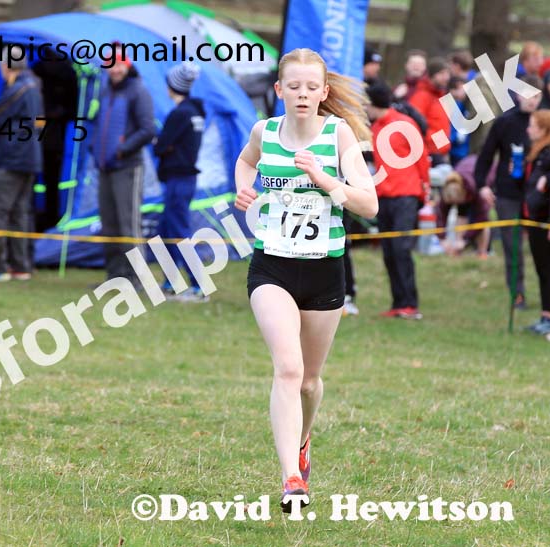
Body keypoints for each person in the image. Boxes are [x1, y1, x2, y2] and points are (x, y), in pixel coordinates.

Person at [234, 48, 378, 511]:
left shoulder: (339, 137)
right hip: (272, 266)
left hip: (323, 268)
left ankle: (303, 439)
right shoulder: (265, 131)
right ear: (279, 90)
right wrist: (245, 189)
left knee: (311, 381)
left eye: (310, 87)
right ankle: (291, 479)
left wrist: (324, 179)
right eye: (292, 86)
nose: (301, 94)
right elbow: (245, 162)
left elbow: (369, 204)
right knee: (288, 369)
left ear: (324, 93)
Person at [0, 47, 43, 282]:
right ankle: (21, 266)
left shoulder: (17, 89)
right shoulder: (35, 86)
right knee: (19, 213)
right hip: (31, 158)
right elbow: (41, 122)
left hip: (12, 159)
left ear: (6, 66)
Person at [475, 75, 543, 309]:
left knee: (541, 244)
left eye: (535, 96)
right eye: (526, 95)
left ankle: (547, 298)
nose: (531, 101)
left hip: (538, 193)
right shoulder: (505, 122)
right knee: (511, 245)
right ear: (516, 95)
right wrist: (482, 184)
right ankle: (518, 294)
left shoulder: (545, 121)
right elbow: (485, 156)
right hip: (508, 192)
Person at [92, 44, 156, 287]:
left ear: (126, 65)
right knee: (109, 224)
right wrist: (94, 149)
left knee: (128, 223)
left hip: (128, 167)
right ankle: (115, 276)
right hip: (105, 168)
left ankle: (138, 278)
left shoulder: (138, 91)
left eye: (118, 64)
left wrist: (122, 149)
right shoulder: (106, 91)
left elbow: (148, 129)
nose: (114, 69)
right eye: (110, 65)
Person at [366, 81, 428, 319]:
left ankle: (410, 304)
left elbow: (421, 156)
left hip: (405, 194)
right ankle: (398, 303)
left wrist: (424, 187)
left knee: (401, 250)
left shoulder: (403, 124)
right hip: (384, 195)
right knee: (389, 252)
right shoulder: (375, 128)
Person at [153, 62, 206, 301]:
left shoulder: (180, 114)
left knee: (178, 232)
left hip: (178, 179)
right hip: (184, 179)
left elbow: (161, 145)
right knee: (166, 229)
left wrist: (161, 145)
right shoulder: (195, 112)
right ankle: (169, 282)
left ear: (172, 86)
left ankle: (199, 286)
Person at [522, 109, 550, 334]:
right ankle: (546, 315)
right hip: (535, 220)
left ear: (544, 129)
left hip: (547, 222)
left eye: (533, 125)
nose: (528, 129)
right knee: (542, 270)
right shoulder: (539, 153)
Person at [409, 57, 451, 166]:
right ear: (432, 75)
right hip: (429, 153)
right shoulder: (421, 97)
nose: (446, 77)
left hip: (440, 152)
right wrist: (434, 142)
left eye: (447, 74)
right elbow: (415, 125)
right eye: (442, 74)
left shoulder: (440, 96)